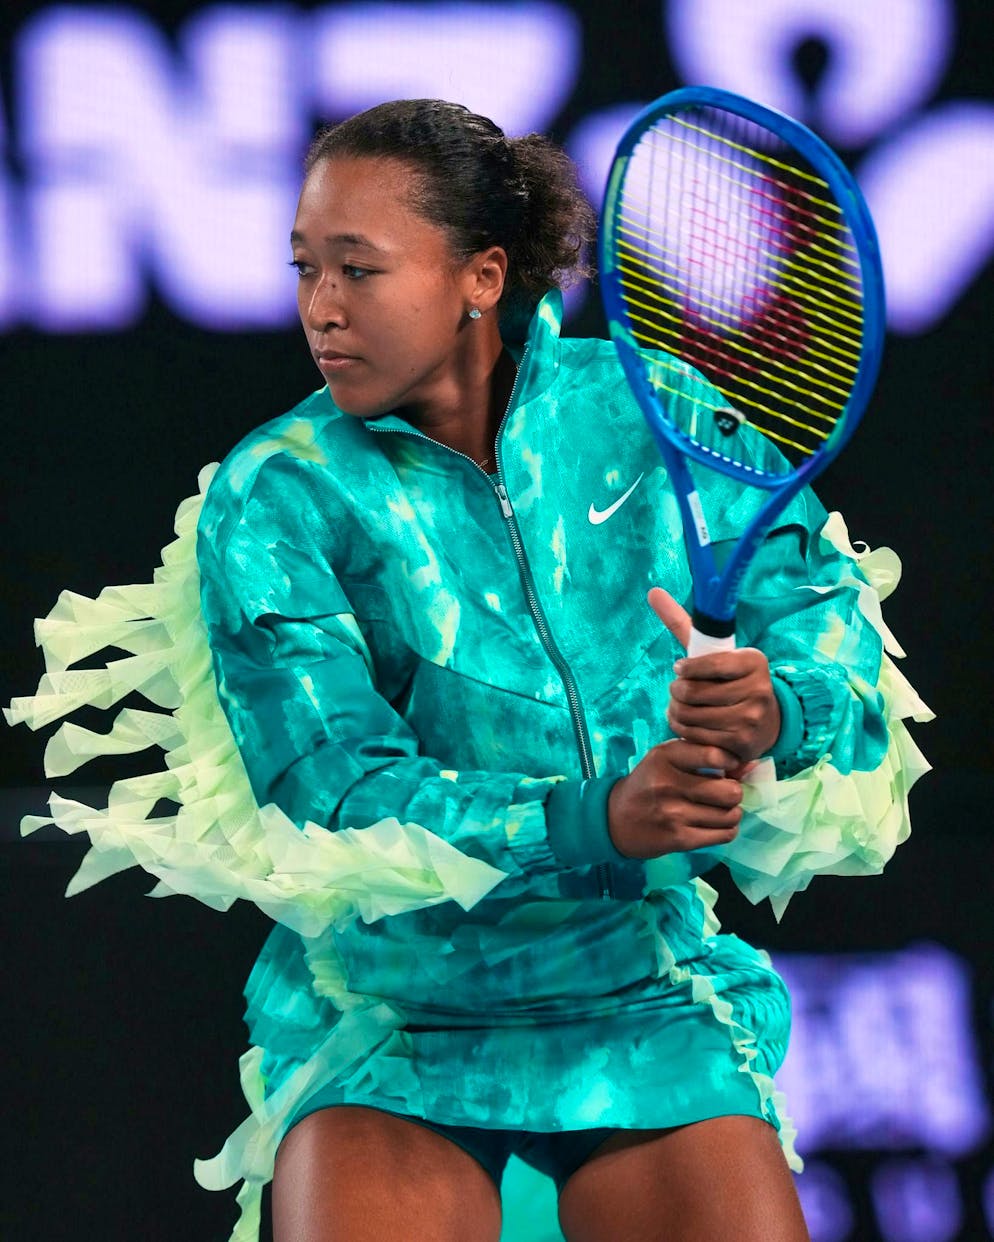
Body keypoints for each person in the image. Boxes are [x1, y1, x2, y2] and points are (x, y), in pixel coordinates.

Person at [8, 99, 930, 1242]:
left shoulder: (655, 417)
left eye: (358, 268)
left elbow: (828, 664)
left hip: (636, 991)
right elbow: (331, 786)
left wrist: (771, 705)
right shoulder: (277, 492)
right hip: (397, 1019)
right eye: (305, 268)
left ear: (483, 277)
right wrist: (597, 816)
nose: (320, 310)